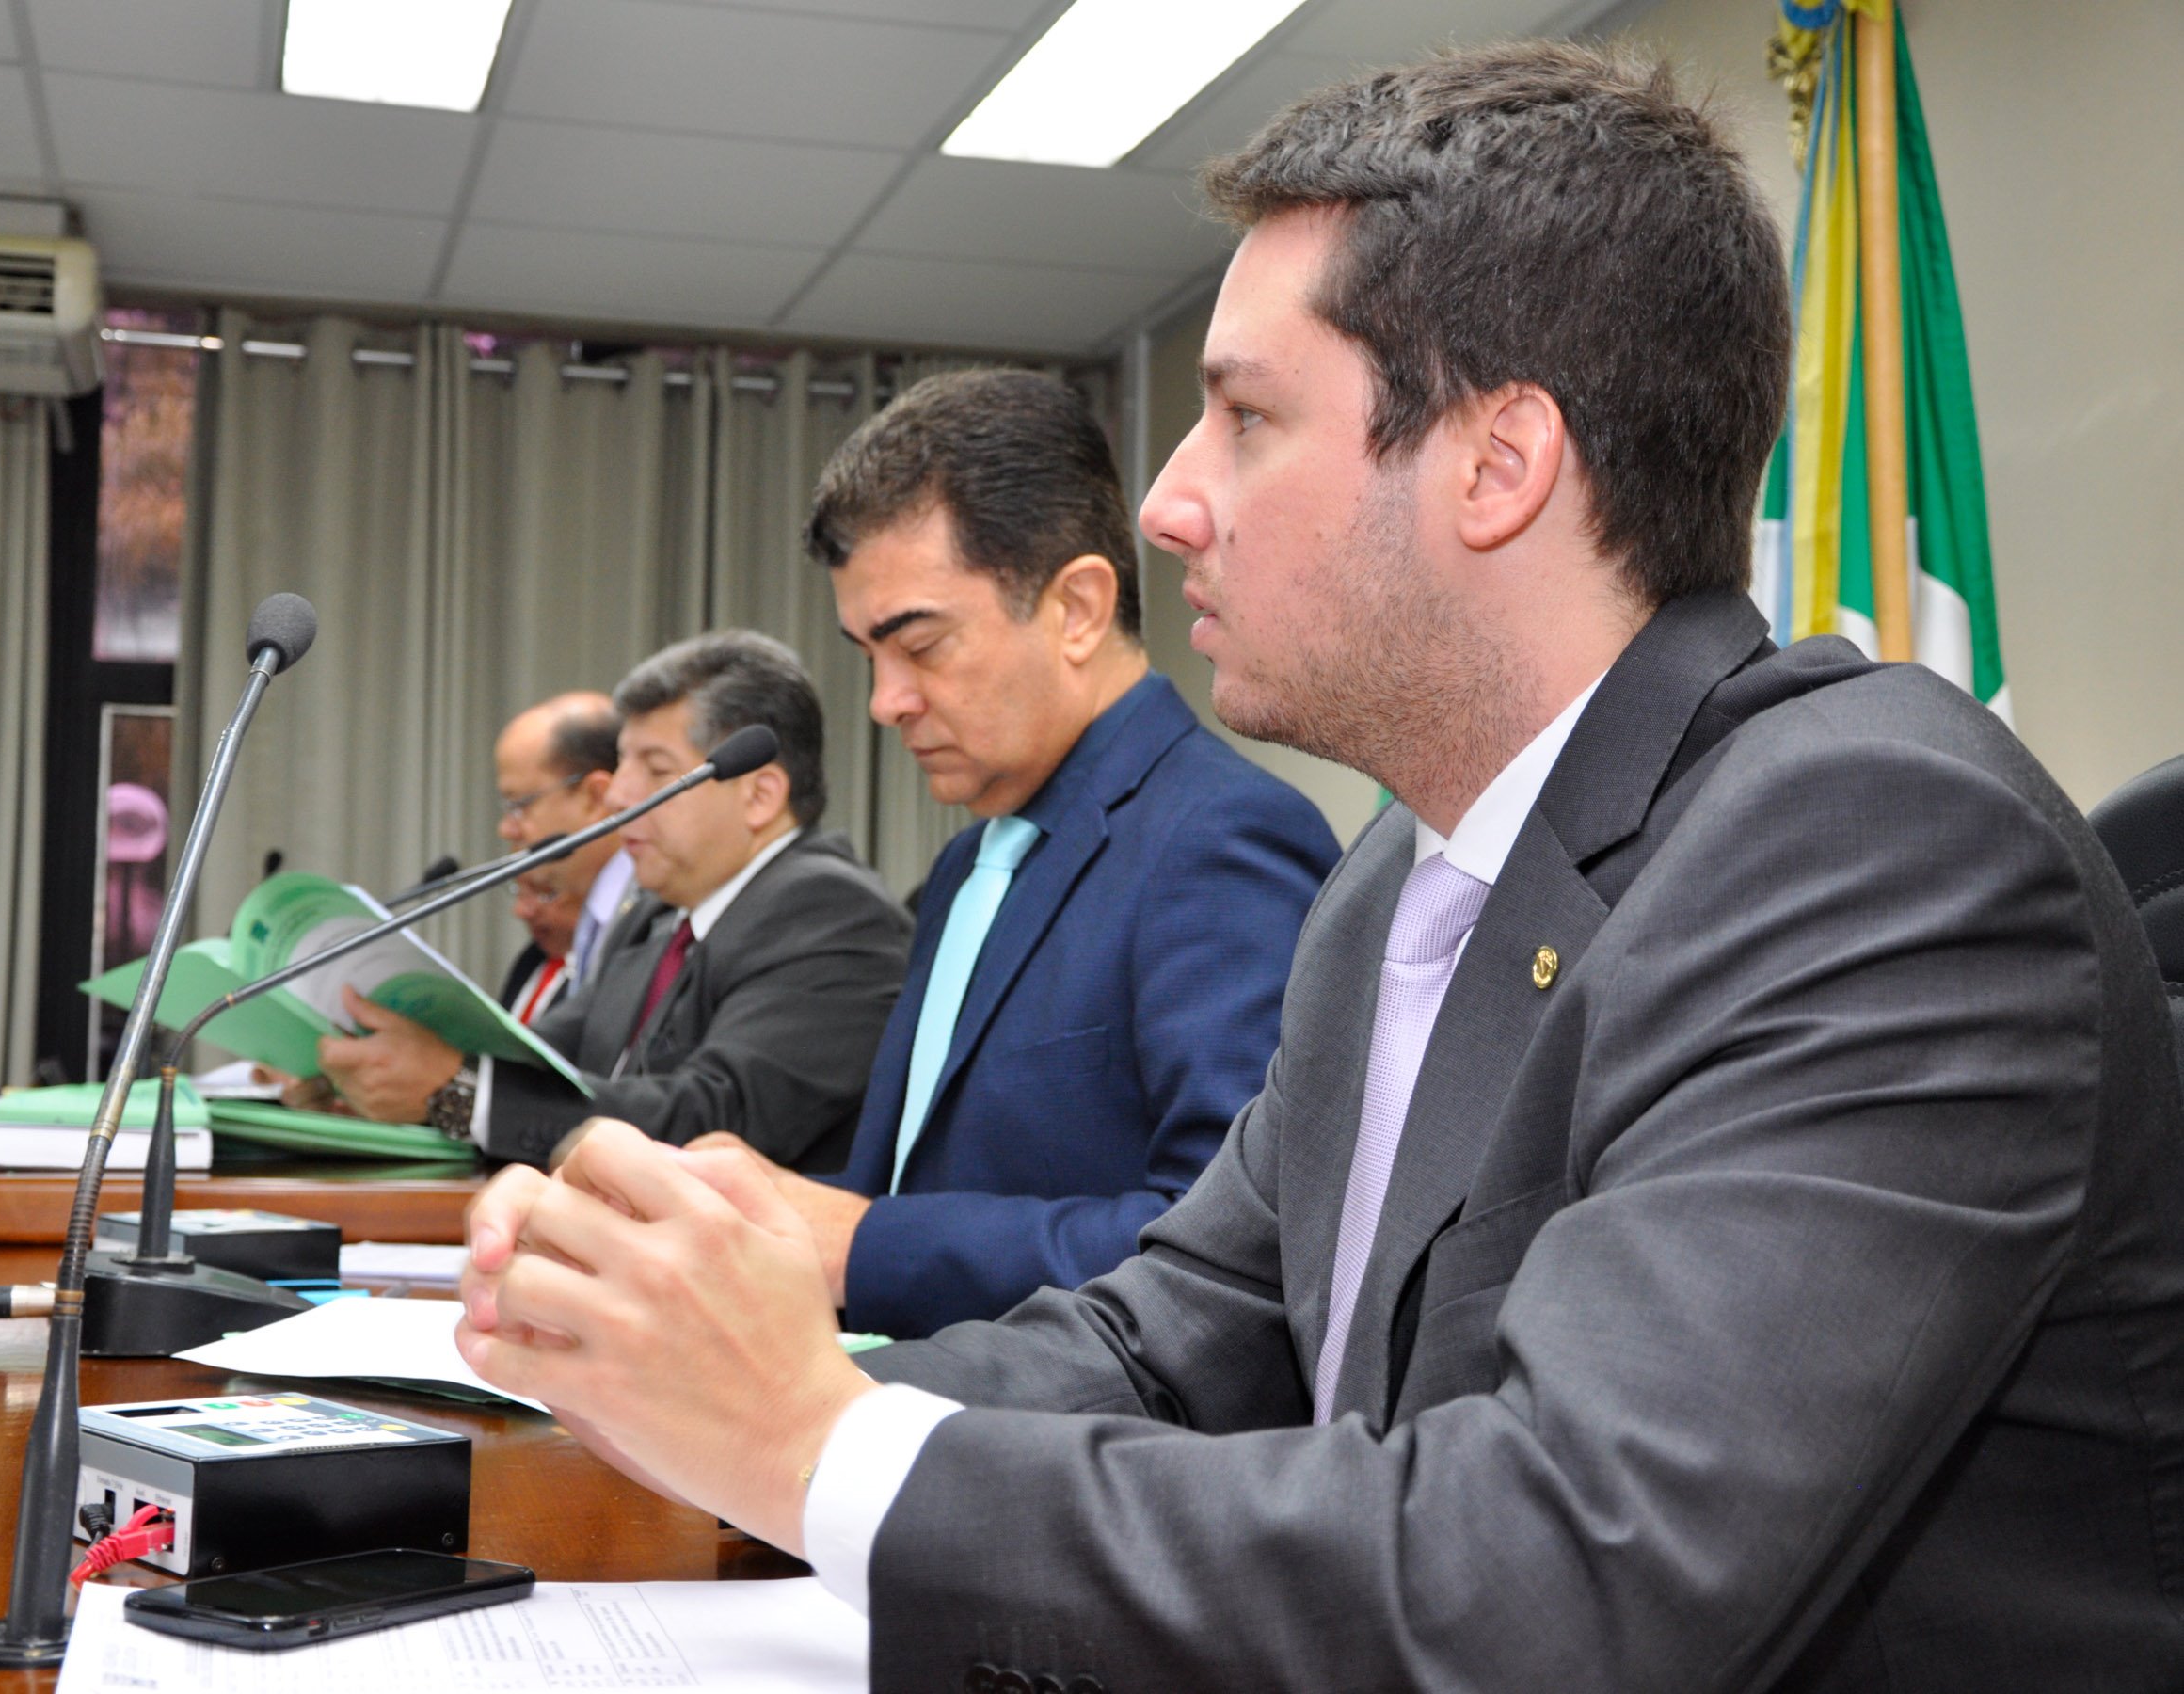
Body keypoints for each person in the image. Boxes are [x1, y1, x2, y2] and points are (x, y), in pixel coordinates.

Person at [452, 40, 2184, 1692]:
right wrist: (684, 1377)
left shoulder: (1867, 848)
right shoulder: (1395, 881)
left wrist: (819, 1447)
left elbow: (1573, 1581)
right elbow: (1174, 1342)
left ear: (1497, 465)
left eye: (1244, 418)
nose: (1167, 504)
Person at [693, 368, 1337, 1340]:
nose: (885, 703)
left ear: (1077, 608)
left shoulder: (1220, 839)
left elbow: (1234, 1250)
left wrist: (858, 1245)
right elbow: (913, 1189)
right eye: (868, 656)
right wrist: (761, 1216)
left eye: (920, 646)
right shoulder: (967, 866)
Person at [326, 631, 912, 1172]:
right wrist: (368, 1067)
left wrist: (455, 1093)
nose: (618, 798)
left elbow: (713, 1120)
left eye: (655, 769)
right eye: (622, 763)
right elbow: (537, 1060)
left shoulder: (833, 913)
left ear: (759, 795)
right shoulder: (657, 917)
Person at [484, 692, 634, 1024]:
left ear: (596, 797)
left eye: (520, 805)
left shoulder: (654, 916)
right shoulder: (591, 919)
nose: (506, 829)